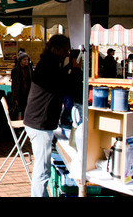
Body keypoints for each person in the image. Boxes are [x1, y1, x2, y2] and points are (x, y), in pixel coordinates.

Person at [23, 34, 82, 197]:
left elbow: (60, 81)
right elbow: (65, 86)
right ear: (56, 50)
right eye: (65, 51)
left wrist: (71, 67)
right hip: (39, 123)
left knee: (43, 169)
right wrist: (76, 70)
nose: (67, 54)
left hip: (39, 122)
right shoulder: (48, 66)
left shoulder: (49, 64)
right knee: (42, 171)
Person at [10, 51, 33, 120]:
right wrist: (15, 97)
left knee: (26, 111)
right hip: (19, 93)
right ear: (20, 60)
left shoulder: (29, 69)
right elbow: (14, 85)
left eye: (27, 60)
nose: (26, 61)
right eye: (24, 60)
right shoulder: (15, 70)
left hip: (27, 93)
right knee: (19, 110)